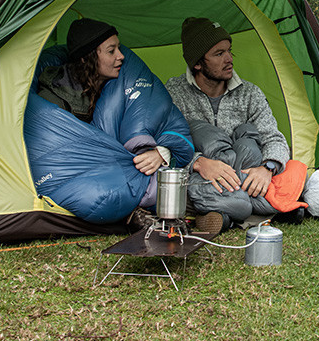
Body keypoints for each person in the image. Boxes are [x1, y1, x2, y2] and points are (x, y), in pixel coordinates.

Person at [165, 17, 294, 230]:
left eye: (229, 51)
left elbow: (273, 137)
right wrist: (198, 163)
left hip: (244, 173)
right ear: (197, 63)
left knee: (291, 173)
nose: (229, 59)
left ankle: (221, 213)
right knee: (175, 183)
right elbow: (164, 141)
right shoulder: (175, 92)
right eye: (219, 54)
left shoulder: (249, 94)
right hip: (203, 177)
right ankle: (246, 210)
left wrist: (267, 168)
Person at [37, 18, 167, 177]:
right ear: (87, 58)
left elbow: (158, 119)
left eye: (119, 48)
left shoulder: (120, 86)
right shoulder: (53, 99)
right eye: (111, 51)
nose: (121, 56)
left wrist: (160, 152)